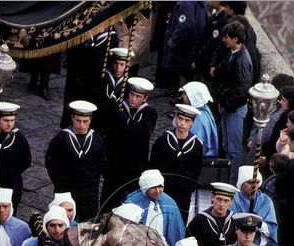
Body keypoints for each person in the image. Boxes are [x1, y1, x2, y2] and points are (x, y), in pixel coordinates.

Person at [101, 77, 158, 210]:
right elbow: (109, 132)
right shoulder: (120, 107)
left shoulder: (149, 113)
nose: (133, 99)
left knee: (130, 202)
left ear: (145, 98)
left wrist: (126, 121)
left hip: (135, 165)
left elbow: (143, 134)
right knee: (108, 200)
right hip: (115, 162)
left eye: (138, 96)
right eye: (132, 94)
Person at [45, 100, 106, 222]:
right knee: (63, 224)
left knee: (88, 226)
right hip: (65, 191)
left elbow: (102, 166)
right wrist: (59, 184)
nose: (81, 125)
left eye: (85, 121)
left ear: (91, 120)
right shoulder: (60, 139)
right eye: (78, 120)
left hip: (89, 193)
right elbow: (50, 164)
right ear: (72, 118)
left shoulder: (97, 140)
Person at [210, 20, 253, 184]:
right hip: (228, 107)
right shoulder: (234, 53)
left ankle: (233, 182)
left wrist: (227, 105)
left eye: (227, 37)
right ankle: (228, 178)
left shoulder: (242, 59)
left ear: (236, 39)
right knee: (227, 145)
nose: (224, 40)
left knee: (234, 149)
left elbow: (242, 90)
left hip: (234, 109)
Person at [150, 103, 203, 217]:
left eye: (187, 120)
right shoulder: (163, 140)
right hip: (163, 189)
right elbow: (153, 164)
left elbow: (197, 169)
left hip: (183, 192)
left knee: (180, 220)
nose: (182, 123)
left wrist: (189, 186)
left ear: (192, 123)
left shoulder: (196, 145)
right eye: (180, 118)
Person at [122, 169, 185, 246]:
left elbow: (176, 234)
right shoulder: (132, 203)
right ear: (145, 188)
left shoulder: (169, 203)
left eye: (160, 186)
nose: (157, 191)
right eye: (153, 187)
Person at [230, 165, 278, 246]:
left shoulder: (266, 201)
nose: (254, 185)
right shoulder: (233, 199)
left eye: (256, 182)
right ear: (242, 183)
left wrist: (258, 223)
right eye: (249, 182)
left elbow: (272, 229)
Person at [186, 182, 238, 246]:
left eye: (226, 201)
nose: (221, 204)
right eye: (219, 199)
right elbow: (188, 243)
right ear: (212, 197)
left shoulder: (235, 220)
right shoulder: (200, 219)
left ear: (231, 201)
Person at [162, 1, 207, 90]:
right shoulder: (199, 4)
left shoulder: (188, 3)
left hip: (183, 46)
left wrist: (173, 40)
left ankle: (179, 95)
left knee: (182, 73)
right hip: (191, 44)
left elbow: (185, 25)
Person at [0, 102, 32, 214]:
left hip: (12, 186)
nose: (10, 124)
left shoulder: (19, 138)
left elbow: (26, 161)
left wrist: (13, 172)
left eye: (12, 120)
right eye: (6, 121)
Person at [179, 81, 219, 156]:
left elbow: (193, 148)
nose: (182, 96)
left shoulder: (198, 120)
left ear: (193, 96)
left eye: (185, 93)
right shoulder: (204, 110)